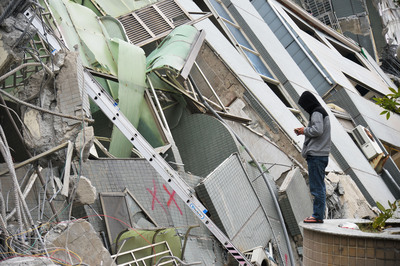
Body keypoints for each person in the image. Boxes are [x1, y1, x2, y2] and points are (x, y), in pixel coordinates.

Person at [294, 91, 331, 223]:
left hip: (316, 155)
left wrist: (304, 130)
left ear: (308, 103)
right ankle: (318, 215)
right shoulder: (321, 111)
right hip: (321, 155)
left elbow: (317, 130)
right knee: (319, 186)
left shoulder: (316, 112)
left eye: (304, 105)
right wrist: (305, 130)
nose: (304, 109)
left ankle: (317, 216)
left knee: (317, 188)